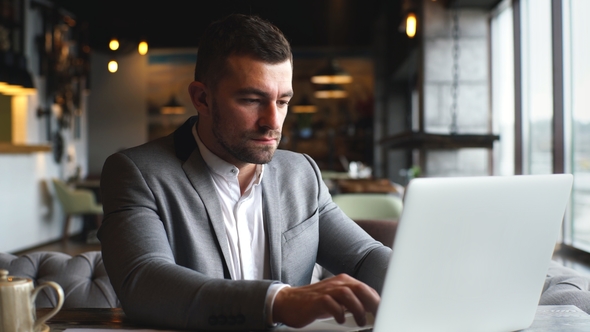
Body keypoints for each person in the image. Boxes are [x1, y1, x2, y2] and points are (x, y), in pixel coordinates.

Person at [98, 13, 391, 331]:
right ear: (202, 98)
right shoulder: (136, 173)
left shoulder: (301, 173)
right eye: (252, 100)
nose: (273, 122)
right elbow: (143, 281)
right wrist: (278, 302)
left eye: (282, 101)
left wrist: (420, 281)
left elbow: (364, 256)